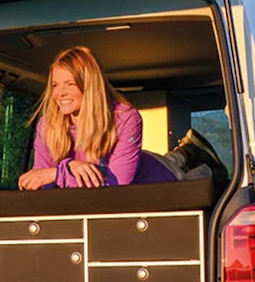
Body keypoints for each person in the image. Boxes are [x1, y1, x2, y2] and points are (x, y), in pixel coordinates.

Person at [18, 46, 221, 190]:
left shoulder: (125, 118)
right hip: (137, 161)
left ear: (89, 86)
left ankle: (195, 155)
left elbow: (116, 187)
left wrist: (60, 172)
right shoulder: (48, 125)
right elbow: (41, 181)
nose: (59, 93)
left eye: (70, 84)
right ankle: (185, 150)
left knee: (201, 179)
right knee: (168, 158)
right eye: (55, 85)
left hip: (158, 180)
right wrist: (69, 167)